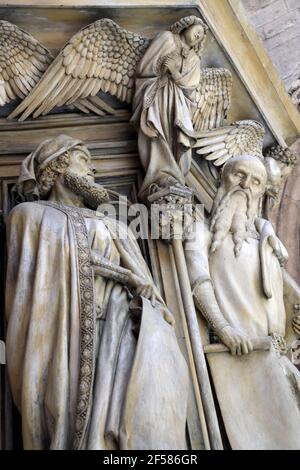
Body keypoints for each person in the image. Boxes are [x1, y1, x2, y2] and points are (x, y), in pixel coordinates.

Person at [5, 134, 189, 450]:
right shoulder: (30, 216)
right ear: (59, 166)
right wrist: (123, 273)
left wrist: (143, 292)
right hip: (61, 333)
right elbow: (28, 290)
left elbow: (147, 286)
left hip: (117, 330)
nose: (94, 171)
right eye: (84, 161)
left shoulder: (113, 223)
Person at [185, 154, 300, 449]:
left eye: (256, 181)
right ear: (223, 179)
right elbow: (199, 283)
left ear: (261, 193)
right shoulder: (202, 232)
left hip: (277, 357)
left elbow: (280, 300)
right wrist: (224, 329)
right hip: (239, 358)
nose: (246, 185)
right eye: (239, 175)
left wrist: (292, 324)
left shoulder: (266, 244)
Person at [131, 16, 207, 201]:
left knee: (179, 137)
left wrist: (174, 72)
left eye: (201, 36)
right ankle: (159, 174)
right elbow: (143, 67)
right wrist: (163, 71)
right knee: (155, 131)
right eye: (196, 30)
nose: (198, 35)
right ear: (185, 26)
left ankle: (174, 174)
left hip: (178, 104)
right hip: (156, 94)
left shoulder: (194, 59)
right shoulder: (166, 38)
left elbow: (190, 87)